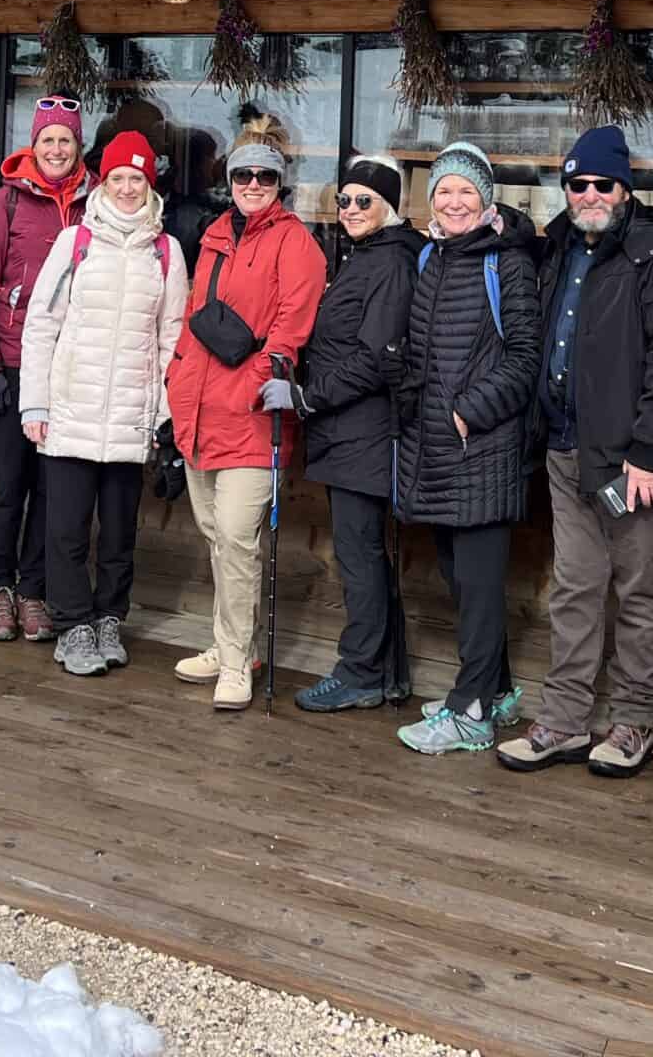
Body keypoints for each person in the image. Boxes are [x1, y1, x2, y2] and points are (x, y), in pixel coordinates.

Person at [496, 126, 653, 778]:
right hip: (567, 448)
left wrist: (650, 449)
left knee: (639, 591)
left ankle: (634, 722)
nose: (589, 194)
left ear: (625, 190)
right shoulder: (557, 245)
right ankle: (564, 720)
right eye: (577, 183)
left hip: (632, 459)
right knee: (575, 588)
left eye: (602, 184)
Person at [163, 117, 328, 712]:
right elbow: (194, 316)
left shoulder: (296, 243)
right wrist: (177, 378)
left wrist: (257, 382)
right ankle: (236, 643)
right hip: (199, 411)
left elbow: (291, 328)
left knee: (236, 538)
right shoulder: (212, 236)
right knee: (217, 537)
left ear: (280, 184)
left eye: (265, 176)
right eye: (243, 176)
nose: (253, 184)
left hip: (252, 417)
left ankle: (235, 662)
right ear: (229, 181)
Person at [17, 130, 187, 677]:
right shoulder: (77, 242)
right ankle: (73, 624)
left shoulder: (166, 252)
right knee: (66, 530)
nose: (127, 188)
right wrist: (35, 404)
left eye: (136, 178)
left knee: (118, 533)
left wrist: (163, 415)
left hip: (131, 417)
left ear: (149, 184)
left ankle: (110, 616)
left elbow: (172, 340)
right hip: (71, 410)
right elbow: (41, 324)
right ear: (103, 182)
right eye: (118, 178)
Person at [391, 142, 542, 755]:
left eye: (466, 191)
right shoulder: (433, 255)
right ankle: (496, 690)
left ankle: (471, 711)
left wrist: (469, 411)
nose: (455, 202)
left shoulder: (507, 261)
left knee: (478, 585)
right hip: (435, 448)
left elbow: (526, 356)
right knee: (461, 578)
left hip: (482, 448)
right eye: (444, 191)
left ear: (487, 199)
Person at [291, 154, 422, 712]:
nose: (349, 209)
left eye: (364, 201)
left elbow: (373, 359)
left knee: (359, 553)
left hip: (365, 432)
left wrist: (308, 396)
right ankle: (388, 671)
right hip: (348, 432)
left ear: (388, 206)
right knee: (366, 552)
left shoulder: (389, 262)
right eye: (343, 200)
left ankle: (361, 671)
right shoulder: (367, 256)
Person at [0, 93, 89, 641]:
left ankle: (35, 590)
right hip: (14, 363)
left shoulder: (96, 202)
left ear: (79, 145)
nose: (56, 149)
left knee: (52, 487)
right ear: (33, 145)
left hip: (71, 368)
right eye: (47, 140)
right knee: (10, 484)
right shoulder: (6, 203)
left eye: (65, 140)